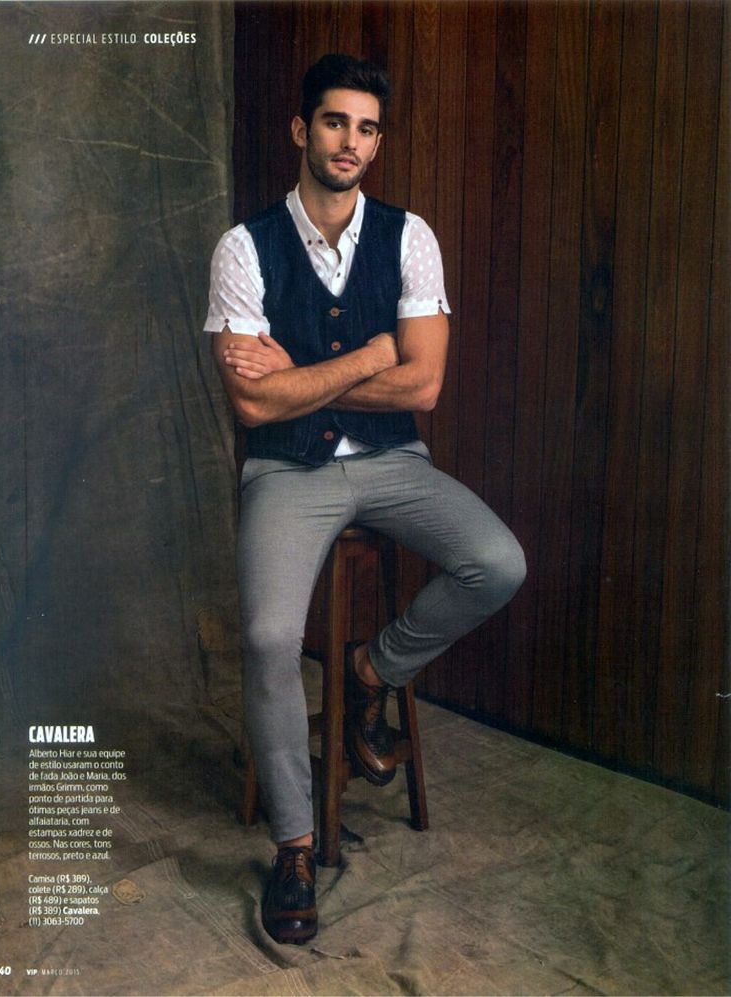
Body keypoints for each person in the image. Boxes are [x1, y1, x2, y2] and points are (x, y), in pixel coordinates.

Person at [204, 54, 526, 945]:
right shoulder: (244, 246)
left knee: (497, 561)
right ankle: (296, 846)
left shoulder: (409, 234)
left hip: (393, 463)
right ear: (302, 130)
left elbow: (424, 388)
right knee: (270, 634)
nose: (351, 142)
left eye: (368, 127)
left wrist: (308, 377)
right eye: (336, 122)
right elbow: (252, 403)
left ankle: (369, 672)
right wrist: (373, 353)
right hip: (286, 473)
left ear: (377, 140)